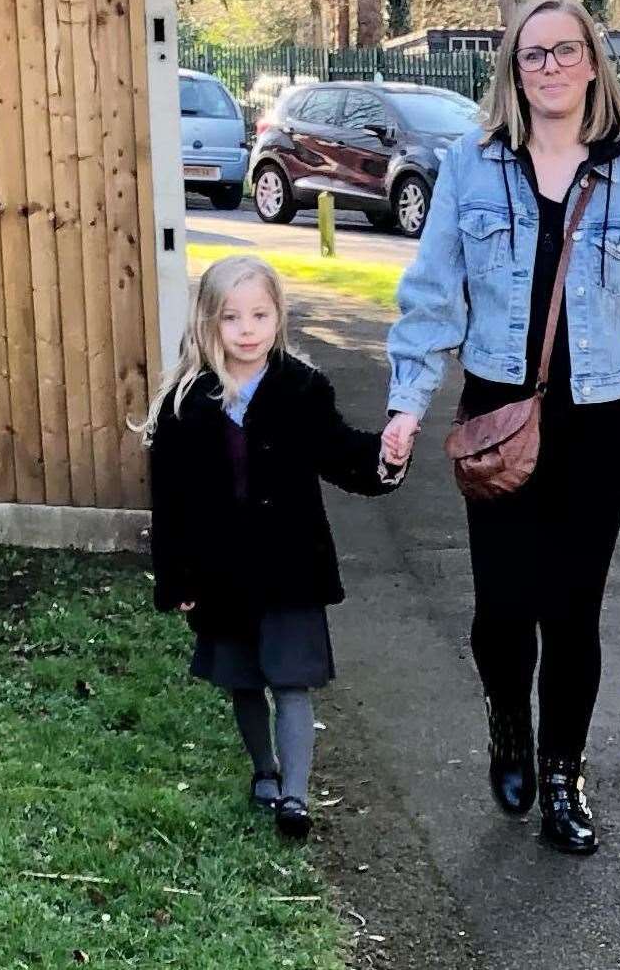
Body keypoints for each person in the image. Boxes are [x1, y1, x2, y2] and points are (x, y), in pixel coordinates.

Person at [380, 0, 620, 855]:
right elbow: (430, 290)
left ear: (593, 64)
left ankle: (563, 774)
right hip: (495, 415)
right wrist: (405, 406)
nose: (552, 67)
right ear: (513, 72)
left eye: (567, 51)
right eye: (534, 55)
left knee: (572, 610)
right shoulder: (471, 164)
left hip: (597, 425)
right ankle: (507, 722)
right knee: (501, 609)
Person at [142, 255, 404, 840]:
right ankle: (264, 772)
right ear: (208, 322)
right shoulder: (185, 404)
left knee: (291, 681)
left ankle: (295, 797)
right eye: (232, 317)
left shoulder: (301, 390)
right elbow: (172, 503)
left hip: (291, 570)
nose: (247, 329)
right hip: (221, 574)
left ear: (278, 316)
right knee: (243, 678)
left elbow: (341, 454)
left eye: (260, 314)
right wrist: (177, 577)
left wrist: (385, 455)